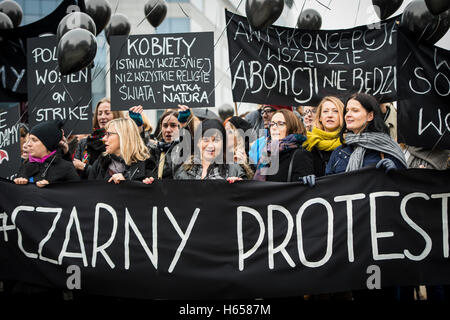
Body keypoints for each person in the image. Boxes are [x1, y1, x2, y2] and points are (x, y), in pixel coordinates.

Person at [326, 93, 407, 175]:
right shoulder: (339, 152)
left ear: (370, 116)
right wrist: (315, 184)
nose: (348, 115)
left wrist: (396, 172)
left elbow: (403, 184)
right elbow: (329, 185)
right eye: (347, 111)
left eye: (355, 110)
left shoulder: (388, 149)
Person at [174, 119, 247, 181]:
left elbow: (247, 195)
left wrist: (238, 187)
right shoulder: (184, 170)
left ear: (223, 143)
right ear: (198, 142)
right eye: (205, 140)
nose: (210, 145)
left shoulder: (234, 170)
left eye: (216, 140)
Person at [253, 109, 314, 183]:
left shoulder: (301, 155)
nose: (274, 127)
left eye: (280, 124)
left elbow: (300, 191)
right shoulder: (267, 153)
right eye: (272, 124)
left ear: (292, 127)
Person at [88, 118, 156, 184]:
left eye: (109, 134)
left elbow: (148, 194)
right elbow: (90, 191)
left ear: (123, 136)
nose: (103, 139)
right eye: (105, 134)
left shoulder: (146, 164)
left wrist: (126, 184)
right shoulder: (101, 161)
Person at [14, 120, 80, 187]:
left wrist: (51, 189)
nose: (28, 144)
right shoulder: (26, 165)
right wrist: (19, 183)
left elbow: (77, 193)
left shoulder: (66, 168)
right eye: (29, 140)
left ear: (48, 143)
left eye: (34, 140)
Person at [73, 98, 123, 178]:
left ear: (116, 115)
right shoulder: (84, 142)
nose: (102, 117)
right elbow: (73, 170)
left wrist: (84, 167)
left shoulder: (119, 142)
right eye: (99, 114)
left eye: (107, 113)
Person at [303, 96, 345, 177]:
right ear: (320, 118)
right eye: (325, 111)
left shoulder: (349, 142)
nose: (330, 115)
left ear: (342, 116)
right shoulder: (308, 142)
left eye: (335, 111)